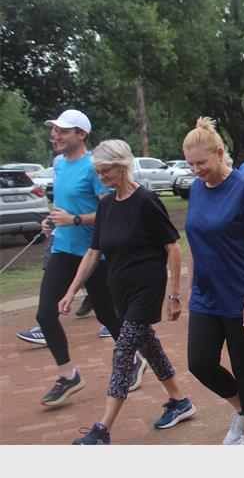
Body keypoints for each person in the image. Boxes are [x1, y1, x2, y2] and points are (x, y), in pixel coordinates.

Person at [58, 140, 196, 444]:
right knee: (148, 346)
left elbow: (172, 247)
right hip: (119, 290)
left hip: (146, 288)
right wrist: (71, 291)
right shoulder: (106, 204)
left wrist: (174, 295)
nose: (101, 176)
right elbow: (93, 253)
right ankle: (180, 401)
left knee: (123, 353)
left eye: (105, 170)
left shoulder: (146, 201)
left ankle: (102, 430)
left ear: (122, 167)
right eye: (97, 171)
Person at [26, 110, 137, 407]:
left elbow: (108, 211)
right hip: (62, 250)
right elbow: (61, 204)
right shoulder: (59, 165)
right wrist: (52, 221)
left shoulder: (95, 167)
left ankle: (134, 360)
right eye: (54, 130)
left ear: (81, 134)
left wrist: (74, 219)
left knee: (108, 316)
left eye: (63, 131)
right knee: (45, 314)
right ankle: (68, 375)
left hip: (94, 255)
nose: (55, 135)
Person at [183, 117, 244, 445]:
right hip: (206, 294)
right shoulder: (195, 189)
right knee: (200, 363)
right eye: (190, 164)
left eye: (201, 162)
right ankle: (243, 408)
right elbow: (194, 239)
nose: (195, 170)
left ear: (220, 152)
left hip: (239, 294)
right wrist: (189, 288)